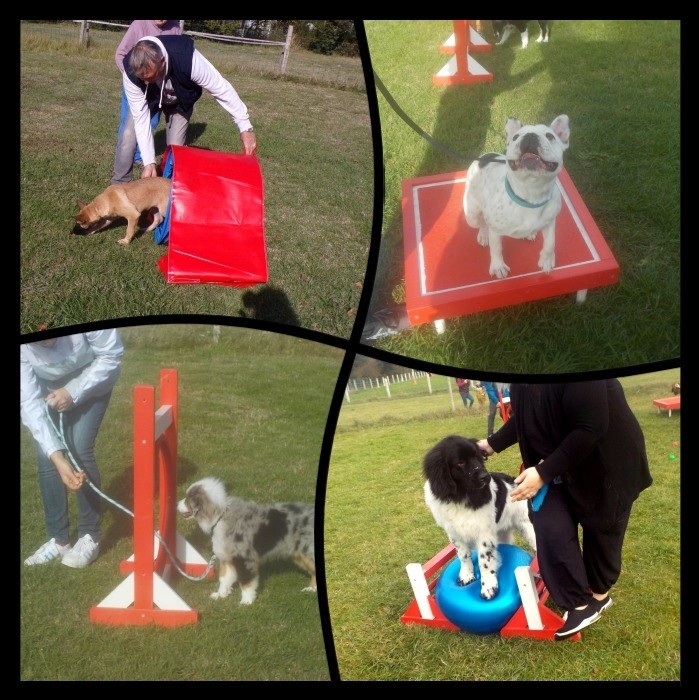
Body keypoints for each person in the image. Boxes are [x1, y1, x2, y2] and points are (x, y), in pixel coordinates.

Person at [476, 380, 652, 641]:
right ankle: (578, 603)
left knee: (602, 524)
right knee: (548, 521)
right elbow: (525, 416)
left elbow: (590, 427)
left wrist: (544, 472)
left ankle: (598, 594)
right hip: (555, 460)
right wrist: (491, 444)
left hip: (606, 460)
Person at [21, 329, 125, 568]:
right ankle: (58, 540)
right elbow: (28, 401)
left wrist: (73, 390)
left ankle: (90, 536)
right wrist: (57, 458)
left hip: (94, 381)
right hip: (49, 388)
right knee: (47, 456)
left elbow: (111, 355)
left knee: (79, 448)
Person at [119, 35, 258, 183]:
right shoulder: (130, 71)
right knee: (128, 135)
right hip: (150, 100)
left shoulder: (186, 57)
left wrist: (245, 126)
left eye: (151, 78)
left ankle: (169, 192)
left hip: (180, 102)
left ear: (162, 61)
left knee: (176, 150)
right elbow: (141, 119)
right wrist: (149, 162)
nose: (146, 82)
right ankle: (119, 186)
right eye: (143, 79)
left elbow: (220, 88)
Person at [111, 19, 182, 184]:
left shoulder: (175, 27)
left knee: (151, 123)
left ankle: (140, 158)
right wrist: (134, 77)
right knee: (129, 128)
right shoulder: (139, 25)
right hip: (137, 86)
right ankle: (120, 179)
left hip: (158, 90)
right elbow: (121, 54)